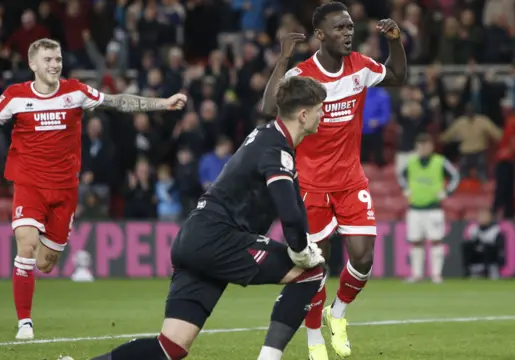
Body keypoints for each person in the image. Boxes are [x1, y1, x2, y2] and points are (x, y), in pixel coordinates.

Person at [89, 76, 328, 360]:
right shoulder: (275, 150)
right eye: (319, 109)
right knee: (311, 273)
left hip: (193, 237)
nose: (323, 114)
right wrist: (301, 250)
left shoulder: (267, 136)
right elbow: (289, 215)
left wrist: (304, 239)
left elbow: (294, 208)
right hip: (220, 237)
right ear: (303, 115)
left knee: (171, 347)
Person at [0, 38, 187, 340]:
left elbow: (118, 101)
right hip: (29, 185)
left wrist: (161, 104)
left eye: (58, 58)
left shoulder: (75, 92)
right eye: (48, 59)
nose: (54, 64)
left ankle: (38, 278)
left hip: (65, 191)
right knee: (26, 246)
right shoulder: (15, 97)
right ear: (33, 64)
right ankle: (25, 323)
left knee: (46, 264)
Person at [261, 2, 407, 358]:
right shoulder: (304, 75)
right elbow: (268, 109)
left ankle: (337, 313)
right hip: (310, 184)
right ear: (321, 35)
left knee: (364, 256)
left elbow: (397, 76)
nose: (347, 33)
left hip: (350, 181)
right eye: (339, 29)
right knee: (316, 265)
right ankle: (314, 339)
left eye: (350, 28)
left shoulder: (360, 66)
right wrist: (282, 61)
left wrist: (396, 42)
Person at [400, 134, 459, 283]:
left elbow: (455, 176)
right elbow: (401, 176)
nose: (423, 149)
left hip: (434, 208)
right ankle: (416, 274)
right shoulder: (411, 162)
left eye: (426, 145)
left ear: (431, 147)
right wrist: (406, 189)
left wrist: (447, 192)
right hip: (415, 207)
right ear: (416, 147)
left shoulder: (440, 161)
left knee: (436, 240)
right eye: (420, 146)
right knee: (416, 241)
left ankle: (436, 275)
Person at [461, 208, 505, 279]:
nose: (482, 218)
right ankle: (470, 270)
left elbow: (499, 246)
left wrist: (485, 244)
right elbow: (472, 242)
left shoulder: (496, 229)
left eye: (485, 216)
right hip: (479, 255)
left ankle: (490, 270)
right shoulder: (474, 229)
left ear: (490, 217)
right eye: (481, 216)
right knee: (466, 246)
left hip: (492, 257)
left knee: (488, 247)